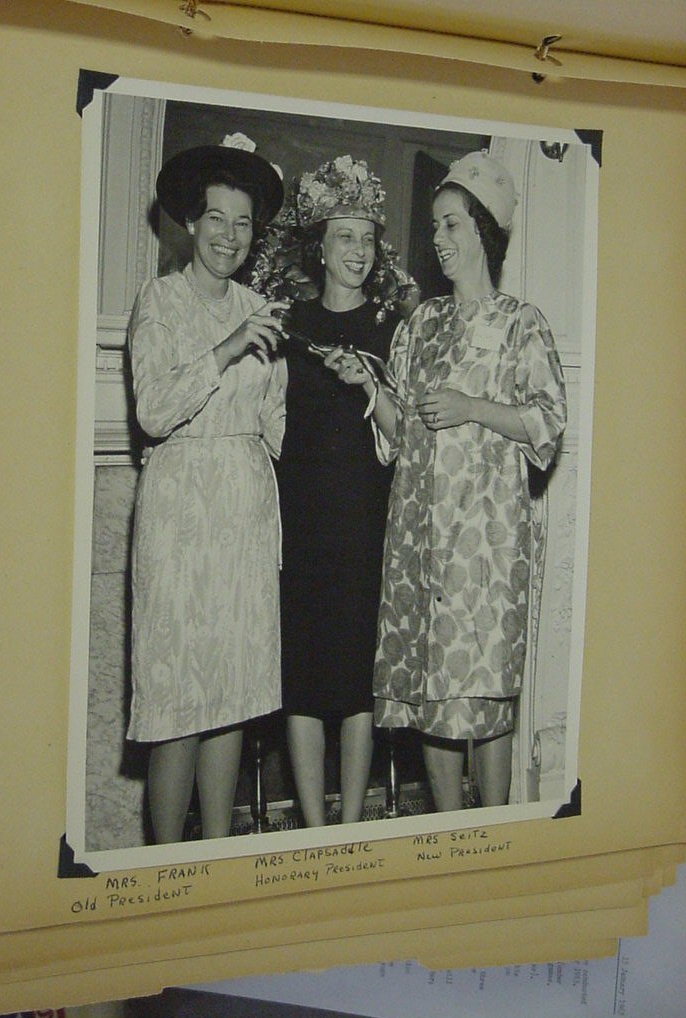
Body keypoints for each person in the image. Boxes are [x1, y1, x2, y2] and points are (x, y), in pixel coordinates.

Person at [327, 150, 567, 812]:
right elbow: (398, 434)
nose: (439, 240)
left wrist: (473, 409)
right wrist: (370, 389)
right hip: (418, 538)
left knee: (484, 689)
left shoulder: (523, 324)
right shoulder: (420, 325)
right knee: (431, 690)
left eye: (453, 224)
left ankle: (493, 836)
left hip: (486, 542)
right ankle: (449, 837)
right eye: (435, 227)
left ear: (484, 229)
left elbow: (549, 423)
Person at [125, 135, 289, 844]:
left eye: (243, 223)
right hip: (180, 518)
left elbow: (276, 424)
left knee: (232, 698)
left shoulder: (264, 308)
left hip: (246, 514)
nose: (229, 236)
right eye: (217, 219)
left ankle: (217, 861)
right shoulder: (159, 301)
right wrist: (226, 347)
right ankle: (166, 874)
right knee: (176, 704)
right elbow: (154, 412)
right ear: (192, 222)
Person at [254, 155, 414, 827]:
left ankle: (350, 825)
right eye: (343, 235)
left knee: (356, 677)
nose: (356, 249)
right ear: (318, 245)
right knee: (304, 679)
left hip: (365, 522)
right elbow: (263, 424)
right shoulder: (287, 327)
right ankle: (315, 831)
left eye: (366, 236)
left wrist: (368, 388)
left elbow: (404, 434)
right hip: (300, 522)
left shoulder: (391, 330)